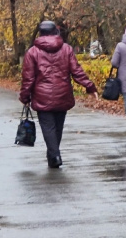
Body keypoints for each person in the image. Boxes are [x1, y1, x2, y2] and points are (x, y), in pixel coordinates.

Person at [19, 20, 97, 168]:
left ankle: (55, 155)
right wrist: (90, 86)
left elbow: (28, 78)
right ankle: (53, 156)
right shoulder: (66, 49)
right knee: (58, 127)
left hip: (42, 97)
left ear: (40, 33)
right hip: (63, 94)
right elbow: (77, 71)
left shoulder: (32, 52)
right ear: (55, 32)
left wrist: (24, 97)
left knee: (48, 128)